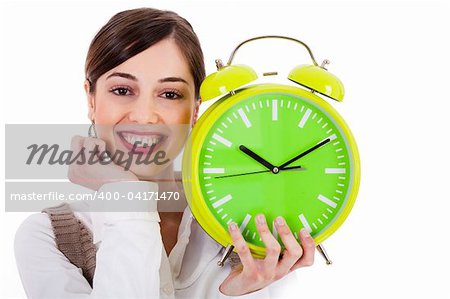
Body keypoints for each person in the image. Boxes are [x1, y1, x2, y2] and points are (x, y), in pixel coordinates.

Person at [14, 7, 315, 298]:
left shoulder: (251, 223)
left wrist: (238, 294)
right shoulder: (48, 237)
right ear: (91, 100)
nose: (144, 117)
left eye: (170, 94)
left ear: (195, 110)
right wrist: (126, 196)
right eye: (122, 90)